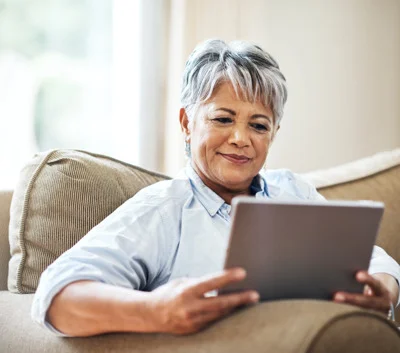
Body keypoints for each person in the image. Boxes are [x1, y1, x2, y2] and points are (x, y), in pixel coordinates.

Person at [32, 39, 400, 337]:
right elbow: (56, 295)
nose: (241, 139)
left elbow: (375, 261)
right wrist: (156, 310)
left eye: (259, 126)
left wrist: (381, 288)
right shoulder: (164, 211)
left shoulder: (294, 191)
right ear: (186, 123)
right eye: (223, 119)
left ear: (274, 134)